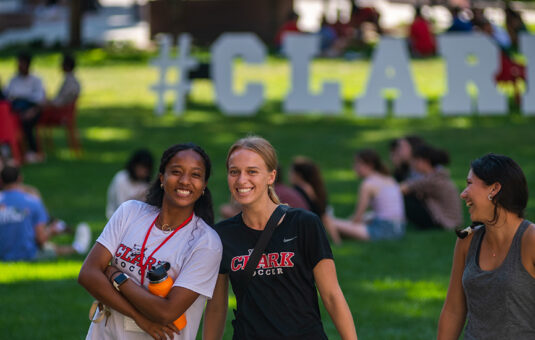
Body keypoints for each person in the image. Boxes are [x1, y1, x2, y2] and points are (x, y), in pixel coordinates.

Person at [203, 136, 358, 340]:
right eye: (234, 172)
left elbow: (331, 295)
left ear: (271, 176)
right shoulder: (222, 235)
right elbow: (216, 307)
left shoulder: (304, 223)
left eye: (252, 171)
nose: (241, 180)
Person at [78, 143, 222, 340]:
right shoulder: (130, 212)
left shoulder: (206, 243)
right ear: (162, 178)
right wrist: (140, 317)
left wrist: (116, 276)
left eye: (195, 175)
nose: (185, 181)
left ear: (204, 185)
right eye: (176, 171)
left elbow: (166, 312)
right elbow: (88, 274)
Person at [437, 153, 535, 339]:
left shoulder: (531, 240)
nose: (463, 194)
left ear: (494, 189)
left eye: (469, 184)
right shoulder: (467, 241)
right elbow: (453, 310)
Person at [0, 166, 91, 261]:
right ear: (20, 178)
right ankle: (78, 248)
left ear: (1, 180)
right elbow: (40, 239)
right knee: (52, 248)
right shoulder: (33, 202)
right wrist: (52, 231)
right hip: (27, 254)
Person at [326, 149, 405, 242]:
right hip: (400, 229)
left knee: (329, 222)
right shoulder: (389, 179)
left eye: (358, 164)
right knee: (367, 217)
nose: (354, 167)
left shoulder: (367, 184)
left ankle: (336, 238)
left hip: (384, 230)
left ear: (369, 165)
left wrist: (346, 225)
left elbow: (358, 217)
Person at [401, 144, 463, 230]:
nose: (413, 164)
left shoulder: (433, 180)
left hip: (445, 222)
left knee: (405, 199)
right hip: (449, 221)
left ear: (424, 161)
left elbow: (403, 188)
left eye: (415, 161)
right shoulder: (436, 175)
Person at [4, 52, 46, 163]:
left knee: (27, 122)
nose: (19, 66)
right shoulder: (13, 80)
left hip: (32, 108)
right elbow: (6, 95)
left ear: (28, 64)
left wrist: (32, 111)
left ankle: (33, 151)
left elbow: (40, 100)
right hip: (15, 109)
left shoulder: (36, 80)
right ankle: (7, 148)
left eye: (21, 63)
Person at [106, 148, 154, 219]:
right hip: (117, 216)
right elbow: (120, 206)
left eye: (146, 170)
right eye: (141, 168)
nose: (143, 172)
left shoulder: (145, 183)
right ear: (134, 166)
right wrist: (139, 196)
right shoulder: (121, 178)